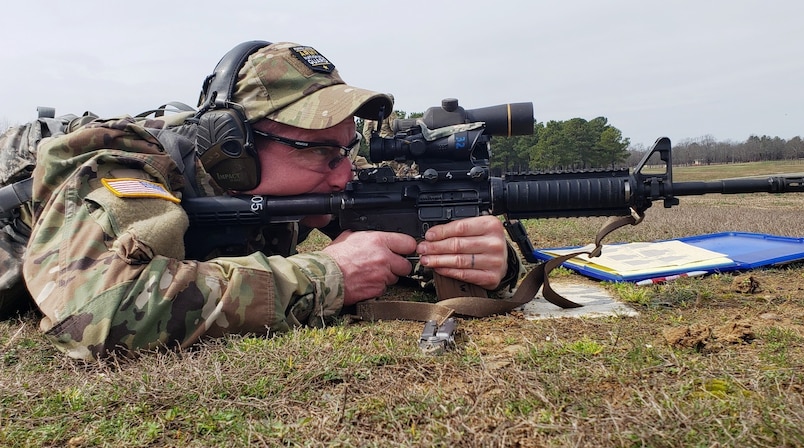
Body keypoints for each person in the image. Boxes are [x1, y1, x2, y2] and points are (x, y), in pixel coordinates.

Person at [21, 41, 521, 361]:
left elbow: (392, 248)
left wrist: (480, 261)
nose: (346, 171)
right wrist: (324, 277)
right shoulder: (126, 165)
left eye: (347, 148)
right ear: (234, 143)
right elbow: (95, 313)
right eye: (322, 149)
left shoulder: (322, 176)